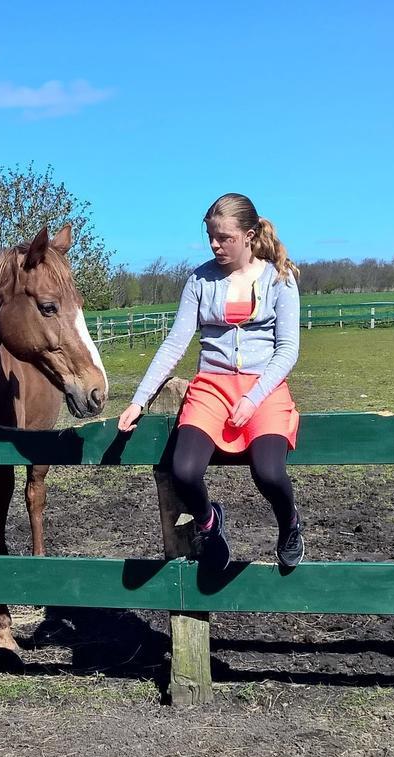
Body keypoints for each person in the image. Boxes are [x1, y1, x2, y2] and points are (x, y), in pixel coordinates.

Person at [117, 193, 304, 570]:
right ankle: (210, 523)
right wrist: (139, 399)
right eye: (210, 237)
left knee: (269, 472)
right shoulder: (199, 280)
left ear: (249, 236)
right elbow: (175, 343)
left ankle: (289, 524)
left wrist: (253, 398)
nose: (215, 245)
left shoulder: (279, 280)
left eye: (224, 237)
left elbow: (287, 350)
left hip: (264, 390)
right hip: (212, 387)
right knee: (183, 470)